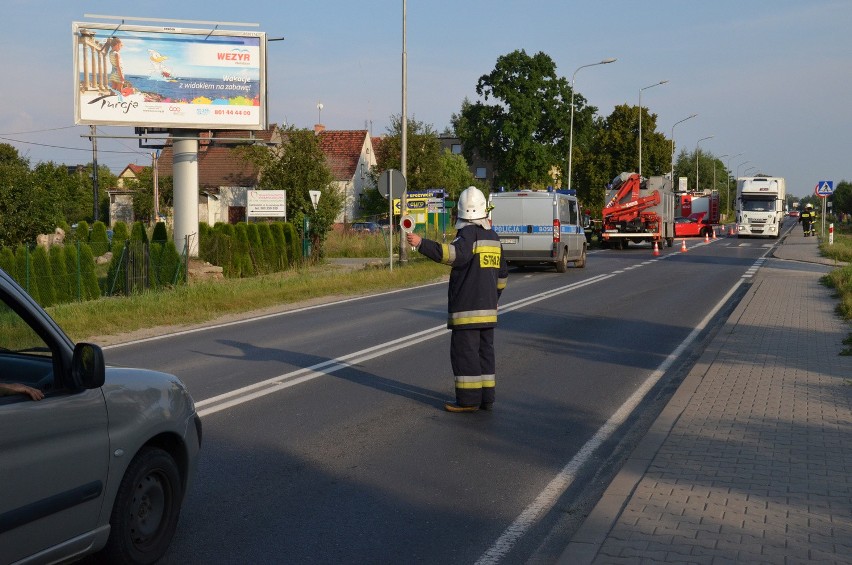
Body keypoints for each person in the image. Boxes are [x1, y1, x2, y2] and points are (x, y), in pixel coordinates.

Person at [406, 186, 508, 413]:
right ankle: (486, 399)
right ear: (484, 210)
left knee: (465, 353)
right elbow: (502, 275)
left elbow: (451, 255)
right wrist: (495, 298)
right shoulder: (493, 237)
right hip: (489, 311)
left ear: (461, 213)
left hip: (467, 310)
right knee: (485, 353)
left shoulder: (467, 235)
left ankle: (468, 400)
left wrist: (422, 244)